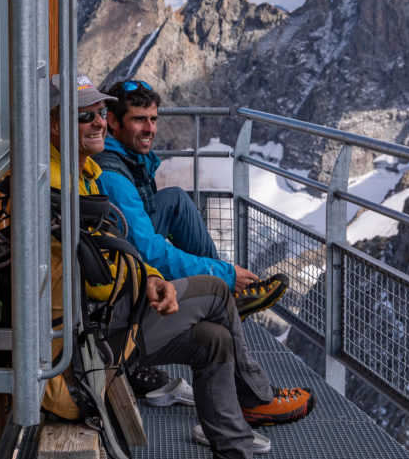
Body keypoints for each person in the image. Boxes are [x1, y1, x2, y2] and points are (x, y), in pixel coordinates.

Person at [45, 73, 314, 459]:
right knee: (214, 293)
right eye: (86, 116)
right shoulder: (68, 185)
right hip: (83, 355)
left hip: (97, 329)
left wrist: (151, 279)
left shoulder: (84, 172)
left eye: (99, 111)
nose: (97, 122)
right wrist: (159, 278)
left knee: (215, 339)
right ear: (55, 126)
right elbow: (100, 275)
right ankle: (255, 398)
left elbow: (110, 263)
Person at [95, 78, 286, 316]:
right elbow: (148, 251)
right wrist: (222, 272)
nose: (149, 129)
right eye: (138, 119)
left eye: (153, 119)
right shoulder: (114, 177)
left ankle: (225, 294)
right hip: (122, 263)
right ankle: (223, 294)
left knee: (175, 199)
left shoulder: (124, 157)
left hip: (123, 244)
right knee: (168, 233)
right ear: (113, 121)